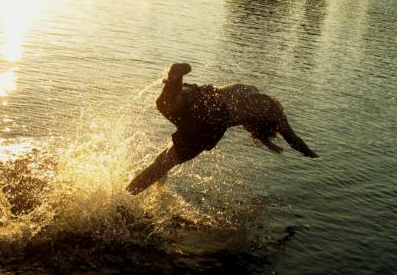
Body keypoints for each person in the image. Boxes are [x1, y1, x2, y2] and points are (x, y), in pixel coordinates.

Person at [126, 63, 318, 194]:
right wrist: (310, 153)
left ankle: (175, 83)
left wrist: (268, 142)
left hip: (205, 94)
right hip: (215, 119)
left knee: (167, 104)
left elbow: (253, 122)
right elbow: (294, 141)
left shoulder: (251, 90)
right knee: (166, 162)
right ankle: (127, 198)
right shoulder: (274, 113)